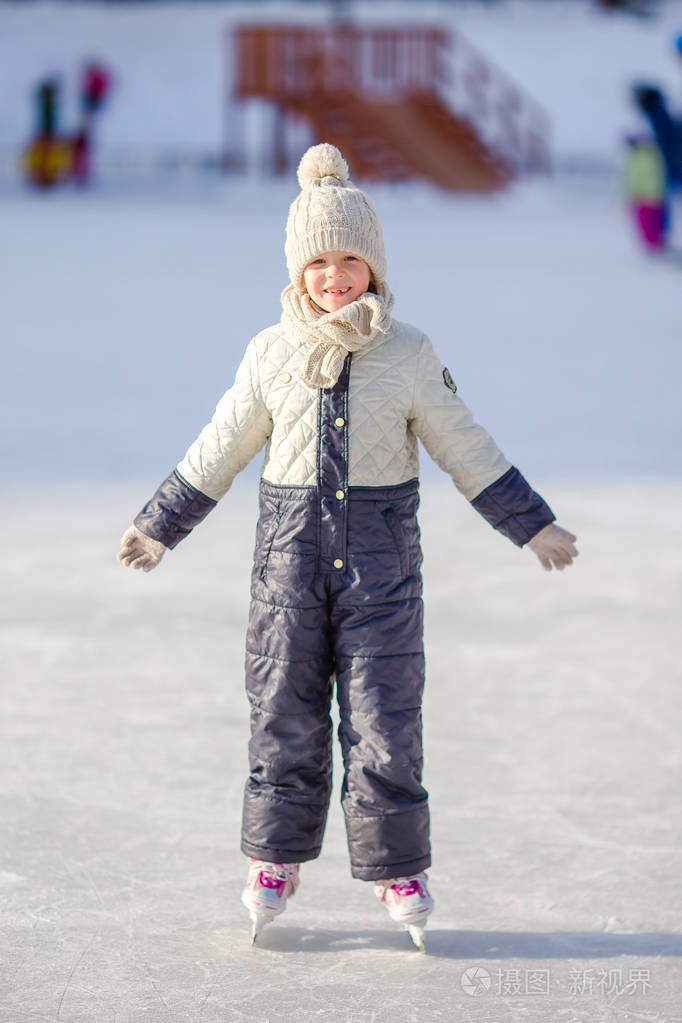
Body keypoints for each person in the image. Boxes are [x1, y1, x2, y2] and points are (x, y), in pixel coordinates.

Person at [117, 143, 578, 950]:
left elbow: (463, 442)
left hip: (382, 572)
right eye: (319, 261)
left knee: (385, 719)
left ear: (375, 264)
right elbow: (219, 445)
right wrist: (161, 522)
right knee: (282, 715)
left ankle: (398, 866)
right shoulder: (271, 352)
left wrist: (528, 520)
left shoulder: (407, 353)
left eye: (351, 260)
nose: (335, 277)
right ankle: (274, 856)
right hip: (287, 570)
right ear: (298, 270)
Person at [623, 134, 669, 250]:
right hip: (643, 196)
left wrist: (649, 193)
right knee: (646, 224)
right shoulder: (638, 156)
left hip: (648, 196)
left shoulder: (647, 156)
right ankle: (652, 245)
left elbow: (651, 177)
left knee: (650, 223)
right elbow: (631, 178)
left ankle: (655, 244)